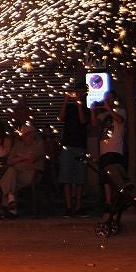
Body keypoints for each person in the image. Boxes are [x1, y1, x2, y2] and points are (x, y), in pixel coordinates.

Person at [57, 84, 89, 217]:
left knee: (80, 178)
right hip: (67, 145)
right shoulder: (69, 107)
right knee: (66, 177)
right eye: (78, 92)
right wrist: (66, 100)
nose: (80, 95)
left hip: (80, 145)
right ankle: (69, 207)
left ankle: (78, 207)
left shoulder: (87, 108)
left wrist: (79, 105)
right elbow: (60, 117)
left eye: (82, 92)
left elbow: (83, 121)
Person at [0, 125, 44, 217]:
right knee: (11, 172)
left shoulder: (39, 144)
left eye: (27, 134)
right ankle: (11, 203)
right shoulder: (18, 145)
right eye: (24, 135)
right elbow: (9, 161)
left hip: (30, 173)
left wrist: (18, 158)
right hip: (16, 172)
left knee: (7, 180)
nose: (26, 137)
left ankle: (8, 205)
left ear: (33, 134)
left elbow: (32, 159)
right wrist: (24, 157)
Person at [93, 91, 128, 207]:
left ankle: (117, 199)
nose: (108, 100)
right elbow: (94, 124)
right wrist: (92, 110)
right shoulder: (102, 115)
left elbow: (119, 120)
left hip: (116, 149)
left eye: (110, 98)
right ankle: (108, 201)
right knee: (105, 177)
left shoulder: (120, 111)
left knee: (116, 176)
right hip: (104, 150)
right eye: (106, 98)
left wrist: (109, 108)